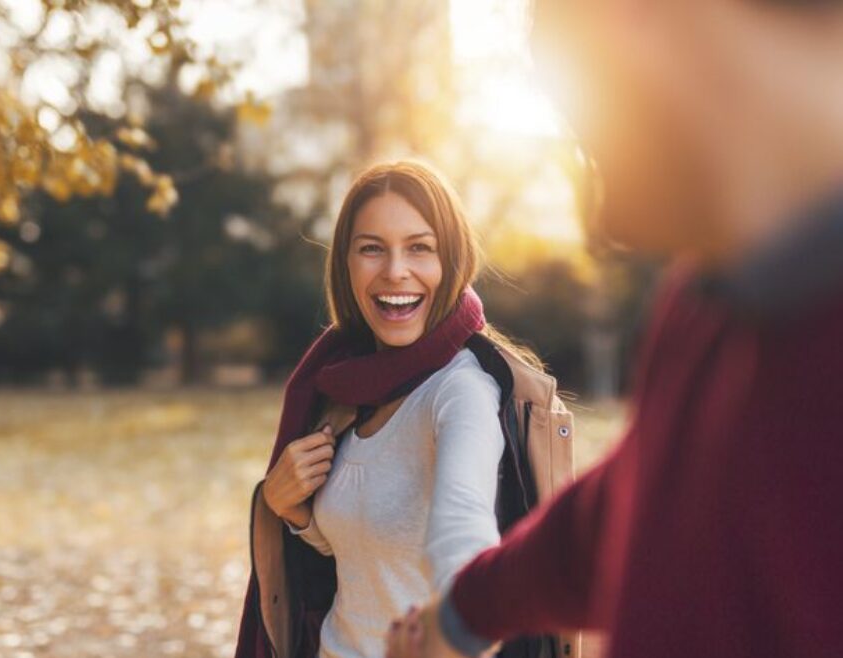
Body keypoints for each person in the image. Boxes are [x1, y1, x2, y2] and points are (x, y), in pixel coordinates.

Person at [386, 1, 843, 657]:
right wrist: (461, 616)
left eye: (584, 128)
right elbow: (630, 505)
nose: (594, 206)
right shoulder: (708, 301)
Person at [233, 160, 580, 658]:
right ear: (346, 264)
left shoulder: (461, 391)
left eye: (420, 248)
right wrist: (293, 513)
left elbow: (464, 523)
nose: (395, 271)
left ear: (452, 261)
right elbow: (369, 555)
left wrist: (465, 621)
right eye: (372, 248)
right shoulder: (343, 389)